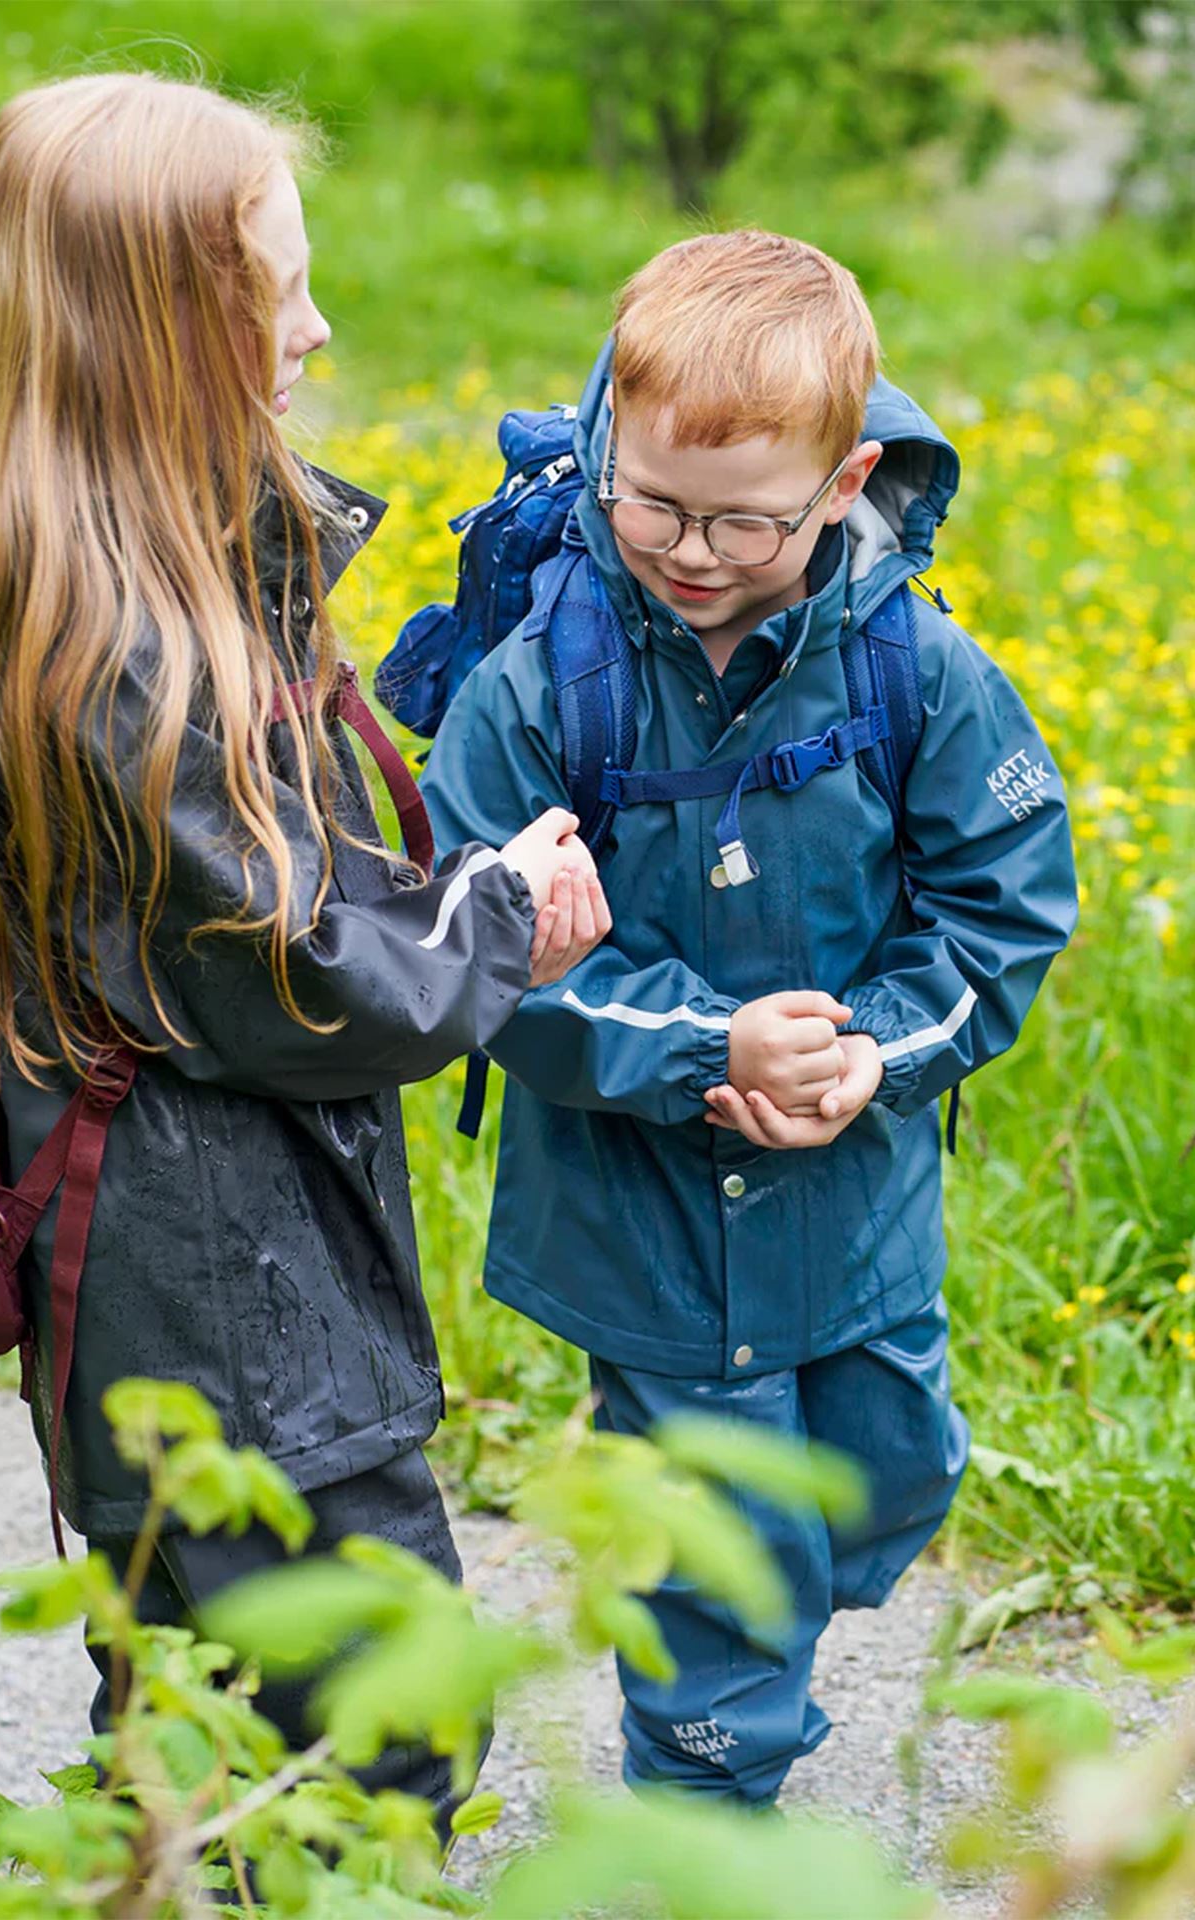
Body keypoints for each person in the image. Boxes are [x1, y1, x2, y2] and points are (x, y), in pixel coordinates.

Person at [0, 72, 610, 1820]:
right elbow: (274, 970)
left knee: (191, 1721)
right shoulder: (104, 636)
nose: (316, 329)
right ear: (159, 332)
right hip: (221, 1281)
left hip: (132, 1264)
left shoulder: (7, 517)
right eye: (276, 291)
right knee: (369, 1739)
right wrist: (502, 917)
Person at [420, 229, 1078, 1805]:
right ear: (601, 455)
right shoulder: (539, 686)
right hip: (636, 1211)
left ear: (846, 481)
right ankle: (713, 1785)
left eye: (744, 521)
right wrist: (703, 1049)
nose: (691, 551)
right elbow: (478, 948)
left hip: (851, 1203)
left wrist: (874, 1051)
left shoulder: (915, 671)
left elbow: (1004, 905)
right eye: (650, 503)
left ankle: (758, 1624)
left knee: (889, 1474)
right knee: (725, 1541)